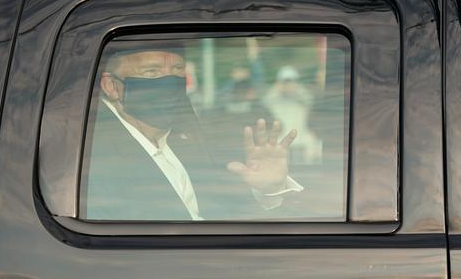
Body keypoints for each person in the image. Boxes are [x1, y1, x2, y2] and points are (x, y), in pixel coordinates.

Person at [82, 45, 303, 221]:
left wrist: (269, 192)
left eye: (178, 70)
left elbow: (228, 218)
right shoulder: (91, 158)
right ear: (111, 86)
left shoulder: (188, 143)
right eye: (152, 72)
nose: (170, 82)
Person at [263, 65, 322, 165]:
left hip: (302, 134)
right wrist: (278, 87)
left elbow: (309, 99)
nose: (288, 85)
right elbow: (266, 101)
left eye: (291, 81)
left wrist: (296, 88)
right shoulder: (274, 101)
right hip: (281, 136)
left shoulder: (302, 100)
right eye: (285, 82)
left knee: (316, 146)